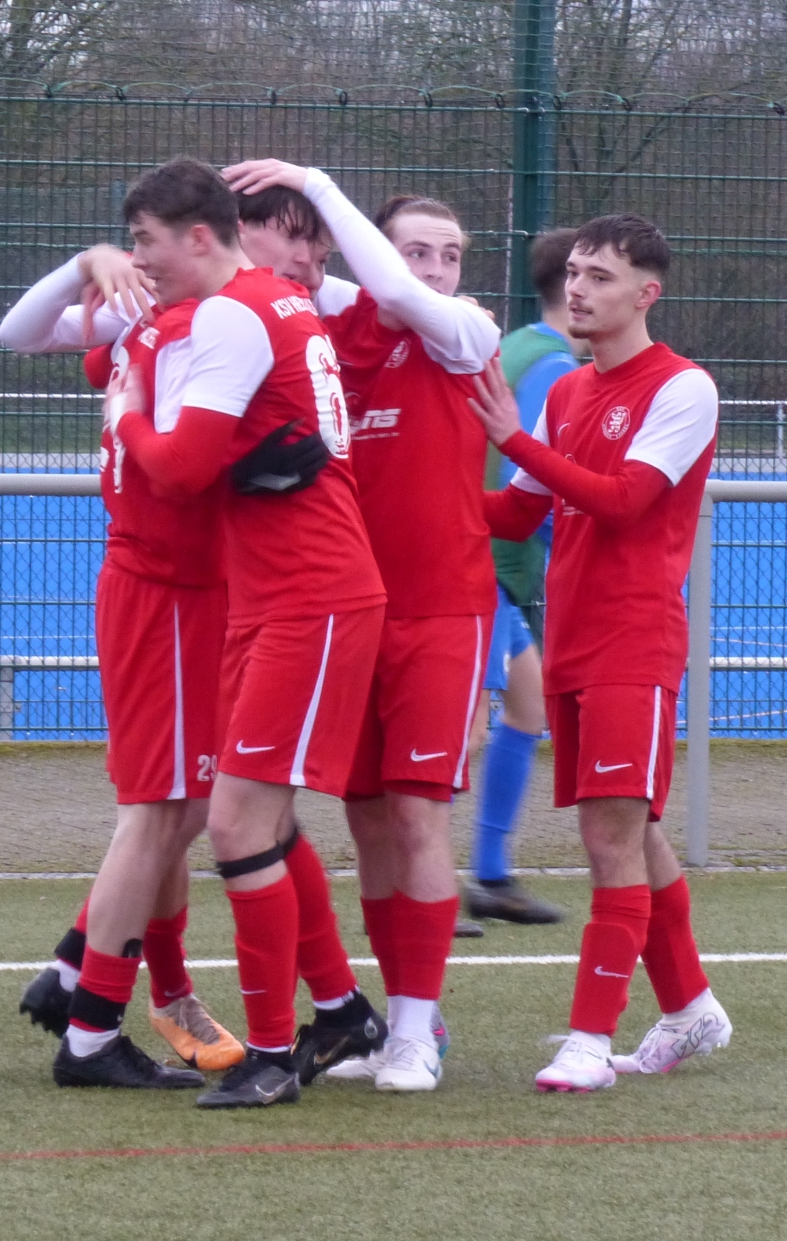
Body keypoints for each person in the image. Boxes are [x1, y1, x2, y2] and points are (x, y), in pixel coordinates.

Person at [108, 157, 390, 1109]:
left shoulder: (236, 313)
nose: (140, 260)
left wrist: (127, 416)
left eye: (146, 241)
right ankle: (336, 1011)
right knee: (260, 821)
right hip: (274, 591)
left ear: (200, 236)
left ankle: (272, 1050)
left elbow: (183, 467)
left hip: (309, 593)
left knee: (236, 823)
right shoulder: (273, 302)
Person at [225, 160, 499, 1093]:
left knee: (419, 816)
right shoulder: (322, 330)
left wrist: (315, 183)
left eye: (450, 254)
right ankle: (396, 1021)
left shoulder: (464, 333)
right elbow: (301, 276)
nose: (434, 269)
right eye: (415, 250)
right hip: (348, 611)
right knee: (370, 822)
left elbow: (393, 290)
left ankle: (418, 1030)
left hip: (442, 609)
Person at [470, 213, 734, 1092]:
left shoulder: (683, 388)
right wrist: (411, 501)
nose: (577, 288)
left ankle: (590, 1040)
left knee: (607, 836)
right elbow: (518, 512)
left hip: (635, 641)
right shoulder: (570, 393)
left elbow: (622, 501)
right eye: (575, 272)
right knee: (635, 832)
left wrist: (512, 438)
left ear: (647, 294)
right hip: (575, 642)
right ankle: (690, 1007)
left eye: (600, 276)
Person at [0, 246, 242, 1088]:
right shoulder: (179, 323)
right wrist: (81, 264)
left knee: (185, 809)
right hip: (167, 594)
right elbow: (19, 333)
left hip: (196, 592)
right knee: (165, 813)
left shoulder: (229, 317)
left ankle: (79, 973)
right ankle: (94, 1029)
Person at [464, 229, 581, 928]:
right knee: (462, 732)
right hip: (482, 564)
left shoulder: (517, 346)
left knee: (527, 705)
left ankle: (490, 875)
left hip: (490, 564)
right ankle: (418, 885)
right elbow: (526, 479)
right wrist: (581, 549)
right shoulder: (555, 367)